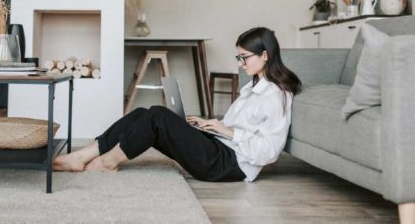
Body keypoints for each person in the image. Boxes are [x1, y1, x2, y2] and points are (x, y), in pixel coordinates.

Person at [53, 27, 302, 182]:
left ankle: (107, 163)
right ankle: (83, 155)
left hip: (229, 166)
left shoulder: (276, 95)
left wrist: (227, 131)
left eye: (244, 57)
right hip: (220, 148)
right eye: (239, 57)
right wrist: (212, 125)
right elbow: (239, 129)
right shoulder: (253, 87)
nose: (240, 63)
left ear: (265, 55)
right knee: (143, 112)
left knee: (158, 116)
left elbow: (269, 151)